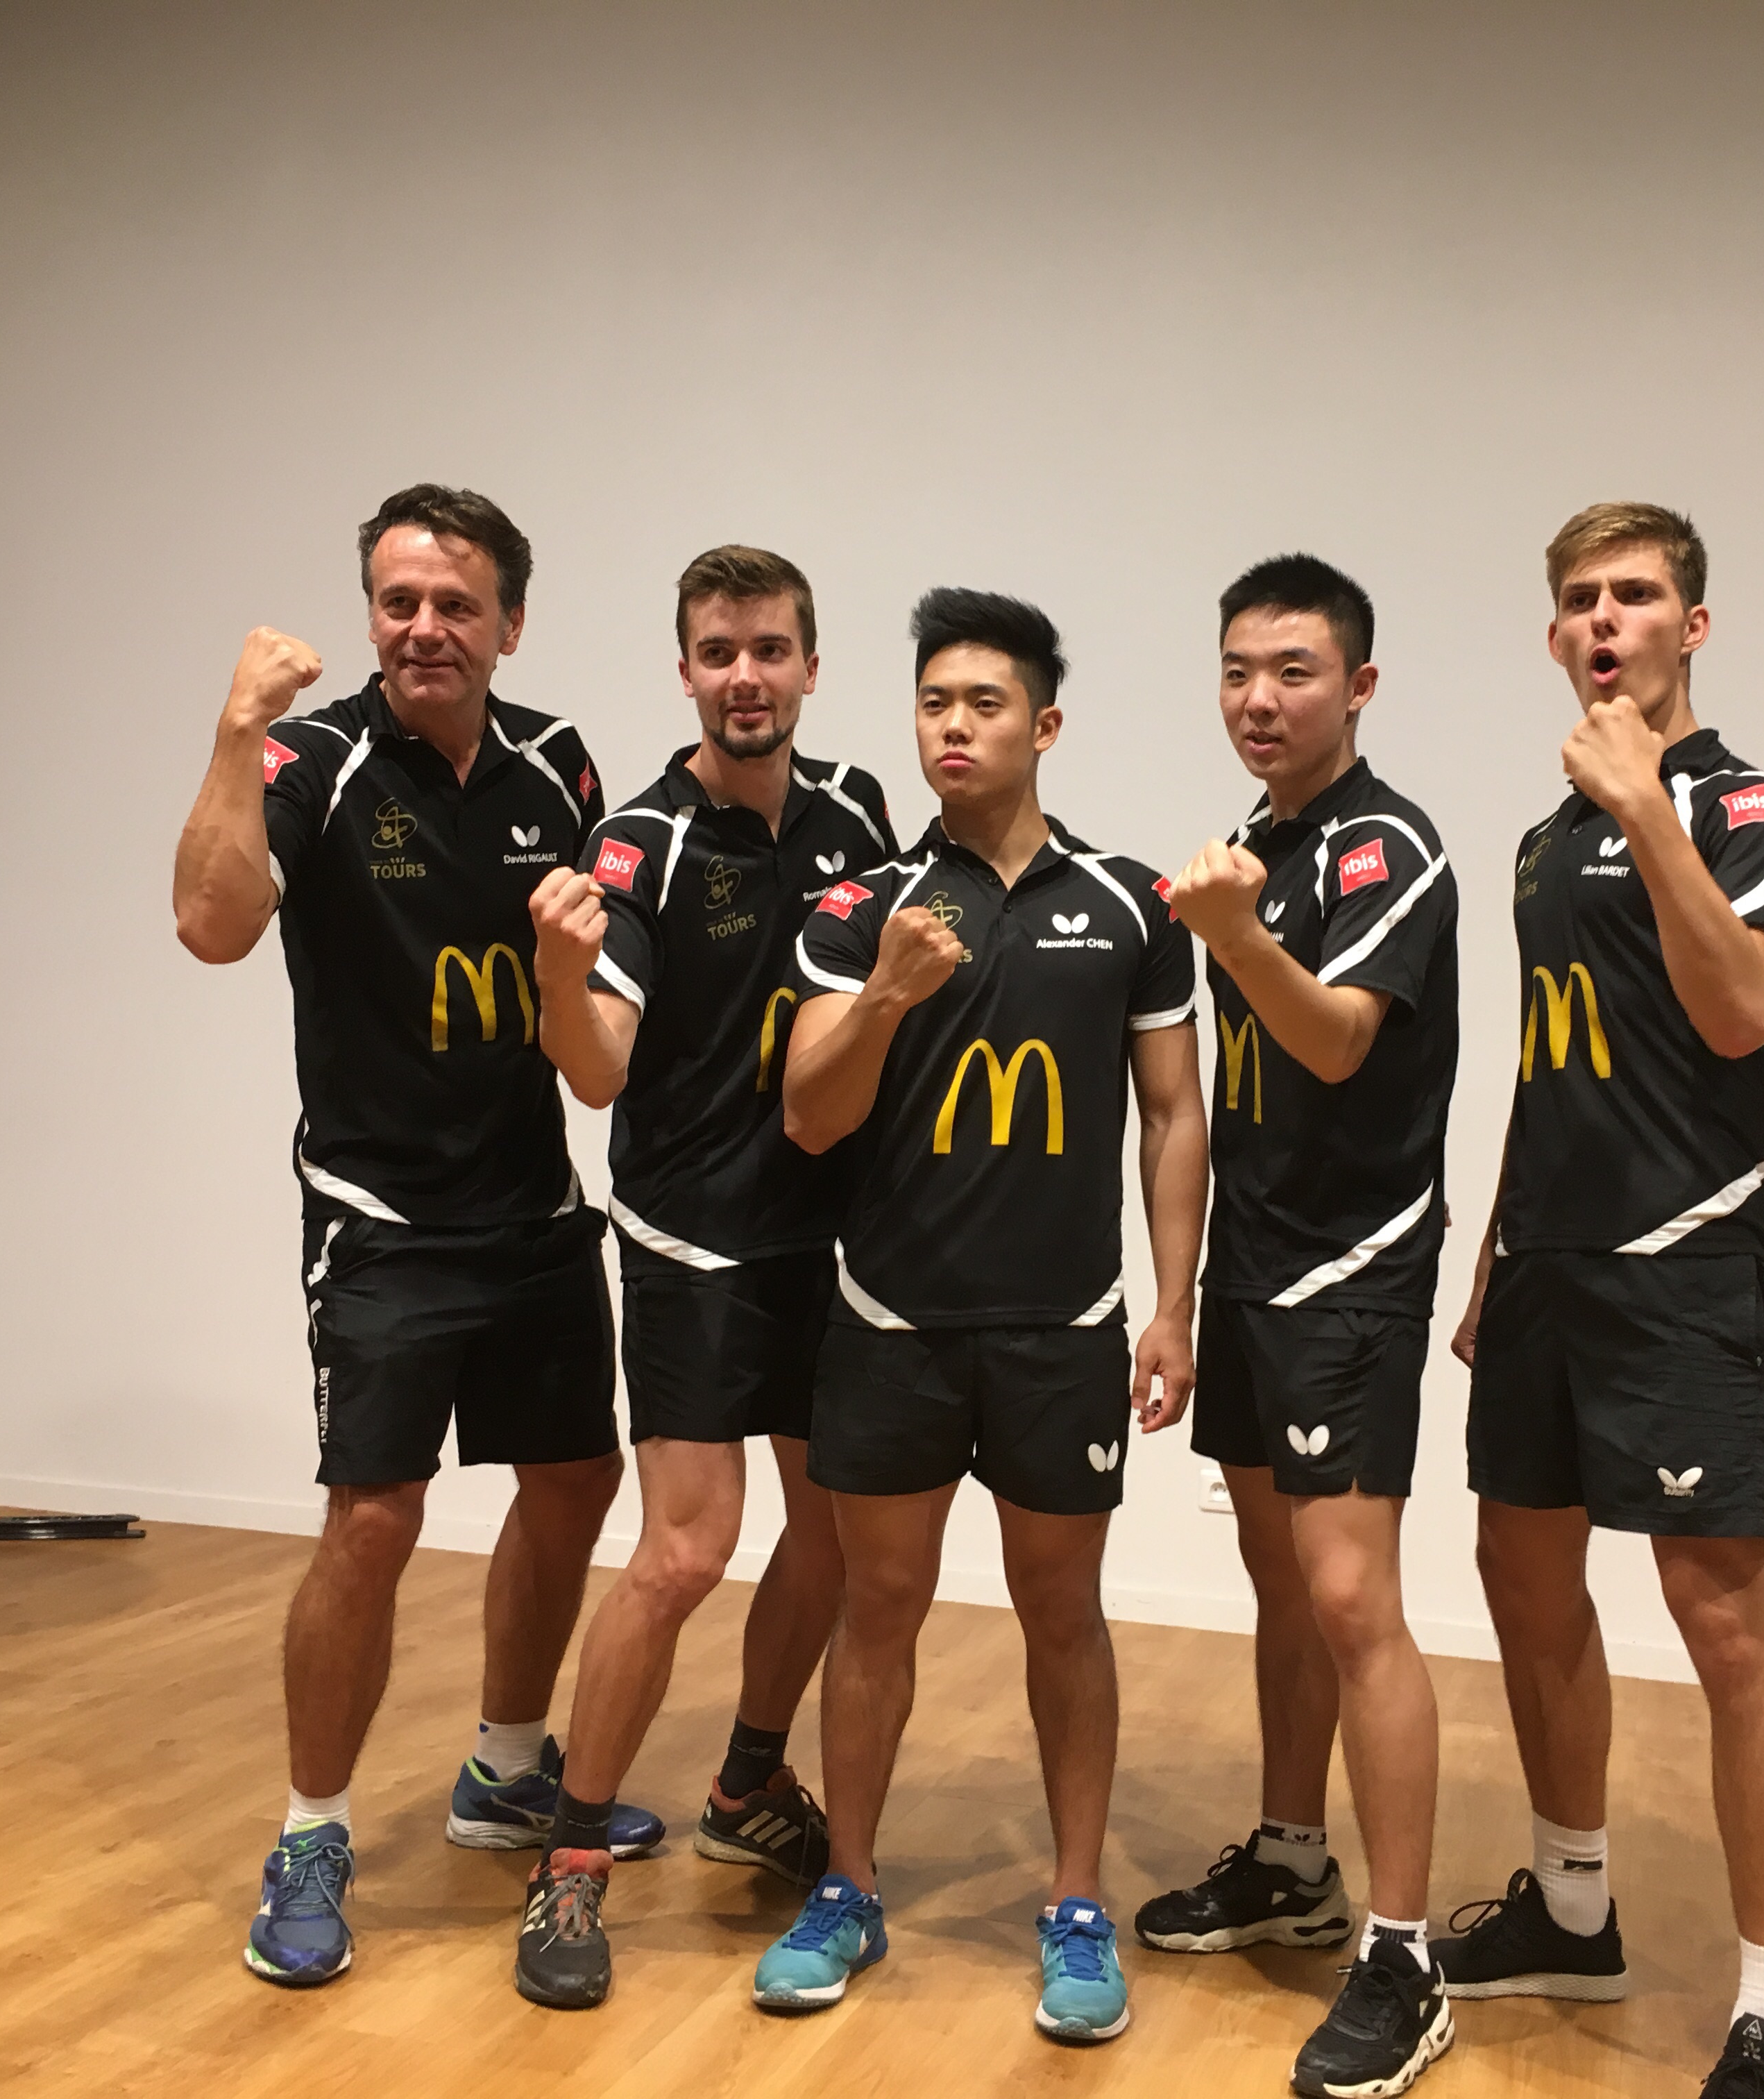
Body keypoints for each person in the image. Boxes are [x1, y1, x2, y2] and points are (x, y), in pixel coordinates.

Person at [170, 482, 659, 1991]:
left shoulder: (557, 762)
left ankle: (506, 1767)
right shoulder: (309, 760)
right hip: (382, 1219)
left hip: (532, 1205)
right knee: (374, 1520)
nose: (424, 628)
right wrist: (233, 728)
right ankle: (313, 1833)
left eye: (456, 605)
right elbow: (211, 924)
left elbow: (597, 985)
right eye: (399, 602)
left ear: (510, 624)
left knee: (575, 1482)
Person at [747, 589, 1206, 2043]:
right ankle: (848, 1886)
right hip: (891, 1325)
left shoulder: (1131, 906)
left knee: (1063, 1616)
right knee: (877, 1610)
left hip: (1064, 1332)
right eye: (934, 702)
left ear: (1044, 725)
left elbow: (1174, 1116)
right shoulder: (860, 907)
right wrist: (885, 994)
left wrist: (1174, 1306)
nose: (954, 725)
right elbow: (809, 1117)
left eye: (985, 703)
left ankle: (1075, 1905)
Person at [1437, 503, 1764, 2099]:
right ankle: (1572, 1906)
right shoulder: (1544, 842)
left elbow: (1740, 1014)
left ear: (1693, 627)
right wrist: (1494, 1251)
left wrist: (1649, 810)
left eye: (1639, 596)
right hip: (1548, 1267)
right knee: (1522, 1578)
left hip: (1690, 1265)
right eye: (1583, 600)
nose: (1607, 620)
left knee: (1723, 1617)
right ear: (1556, 636)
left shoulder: (1750, 807)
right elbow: (1552, 1057)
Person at [504, 546, 901, 2009]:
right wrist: (558, 974)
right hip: (693, 1244)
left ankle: (746, 1783)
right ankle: (570, 1861)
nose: (746, 676)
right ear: (685, 671)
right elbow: (599, 1069)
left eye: (770, 649)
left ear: (810, 666)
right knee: (685, 1552)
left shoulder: (858, 810)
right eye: (719, 652)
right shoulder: (640, 843)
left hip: (830, 1242)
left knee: (837, 1540)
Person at [1153, 555, 1462, 2099]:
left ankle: (1403, 1957)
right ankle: (1291, 1860)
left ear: (1359, 686)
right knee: (1282, 1585)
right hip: (1254, 1271)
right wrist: (1178, 1299)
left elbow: (1337, 1044)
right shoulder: (1258, 849)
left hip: (1357, 1272)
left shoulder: (1388, 846)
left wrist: (1233, 935)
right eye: (1238, 671)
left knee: (1353, 1601)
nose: (1259, 699)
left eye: (1293, 671)